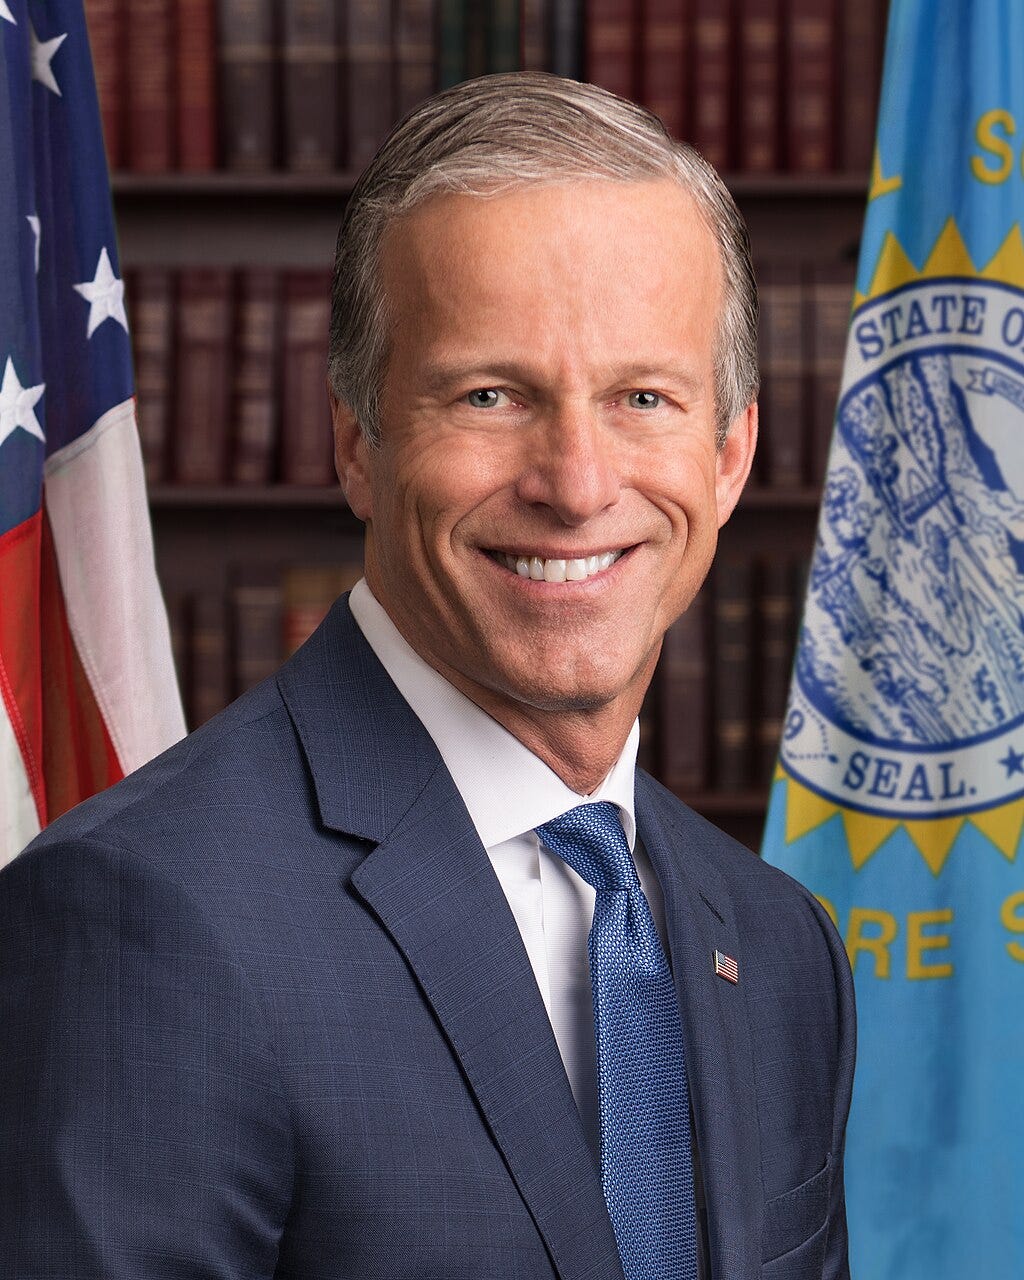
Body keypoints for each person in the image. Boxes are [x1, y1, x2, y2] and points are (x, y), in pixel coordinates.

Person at [0, 73, 854, 1280]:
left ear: (728, 453)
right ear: (358, 438)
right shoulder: (148, 919)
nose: (575, 481)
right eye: (491, 395)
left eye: (641, 398)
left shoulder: (777, 945)